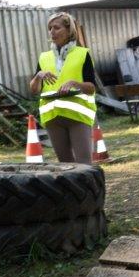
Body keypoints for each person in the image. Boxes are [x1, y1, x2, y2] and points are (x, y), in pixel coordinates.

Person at [29, 12, 96, 164]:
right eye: (50, 28)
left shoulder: (82, 54)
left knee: (84, 164)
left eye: (57, 28)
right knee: (65, 165)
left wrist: (75, 83)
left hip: (78, 116)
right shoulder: (44, 57)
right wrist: (38, 76)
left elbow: (91, 88)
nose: (52, 32)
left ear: (69, 30)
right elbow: (33, 90)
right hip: (52, 118)